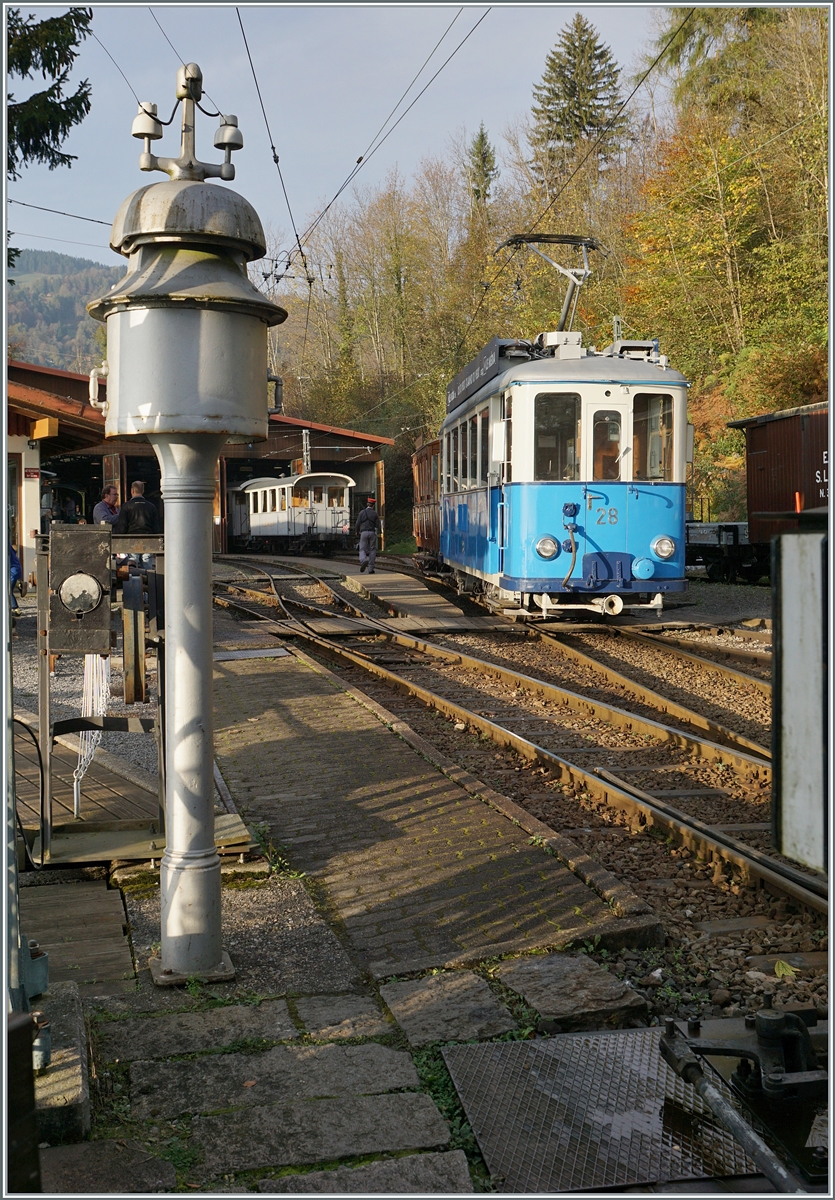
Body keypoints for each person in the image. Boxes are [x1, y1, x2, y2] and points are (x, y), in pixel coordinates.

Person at [113, 480, 159, 567]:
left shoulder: (126, 506)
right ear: (143, 491)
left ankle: (134, 580)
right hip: (148, 540)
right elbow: (156, 526)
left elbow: (122, 526)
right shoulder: (151, 507)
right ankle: (148, 579)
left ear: (132, 490)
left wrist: (118, 543)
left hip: (131, 540)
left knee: (132, 564)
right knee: (147, 564)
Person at [355, 495, 380, 574]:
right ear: (373, 505)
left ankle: (363, 560)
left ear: (367, 504)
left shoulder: (362, 512)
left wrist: (357, 531)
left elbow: (357, 523)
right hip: (372, 533)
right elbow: (378, 525)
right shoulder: (375, 514)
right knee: (372, 550)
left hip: (363, 533)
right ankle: (370, 569)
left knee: (362, 549)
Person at [9, 543, 22, 611]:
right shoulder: (8, 545)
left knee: (8, 591)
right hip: (16, 569)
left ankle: (15, 608)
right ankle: (18, 584)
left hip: (12, 572)